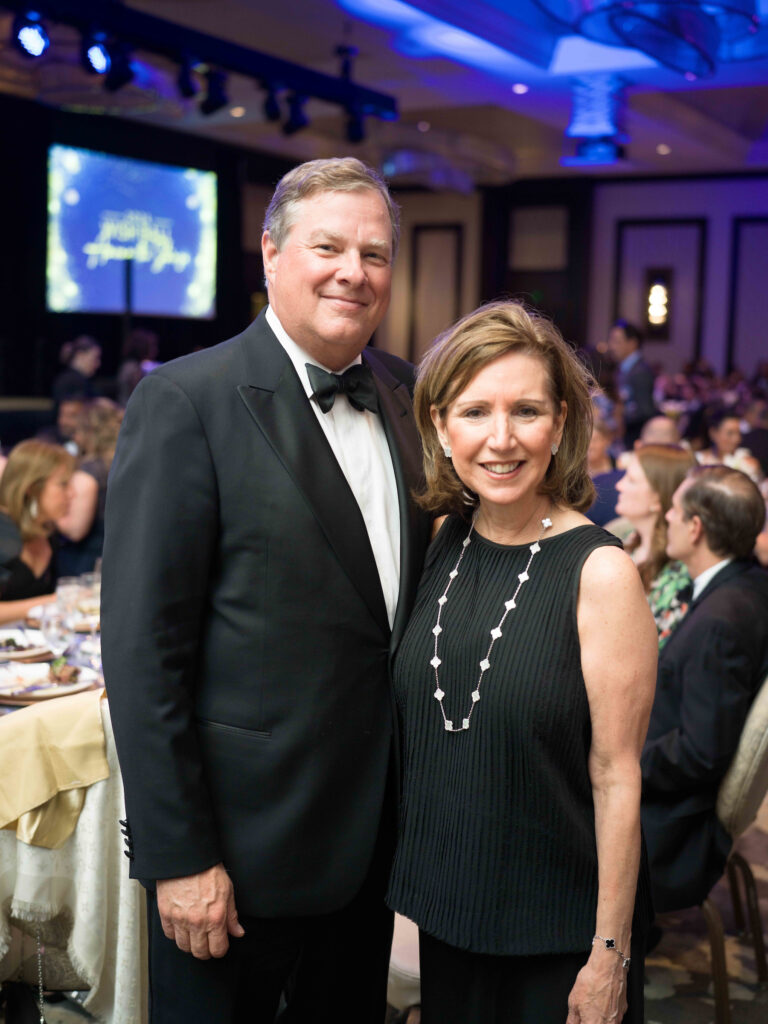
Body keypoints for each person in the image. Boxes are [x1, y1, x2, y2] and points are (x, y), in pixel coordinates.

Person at [101, 157, 431, 1024]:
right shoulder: (186, 400)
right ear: (271, 254)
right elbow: (142, 656)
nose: (353, 272)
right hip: (236, 857)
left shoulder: (407, 395)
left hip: (373, 841)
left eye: (375, 253)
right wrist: (179, 857)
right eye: (328, 246)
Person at [387, 301, 657, 1024]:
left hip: (558, 934)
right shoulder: (445, 538)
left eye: (527, 411)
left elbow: (617, 776)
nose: (500, 439)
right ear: (442, 427)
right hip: (450, 916)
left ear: (561, 423)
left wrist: (609, 954)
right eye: (475, 412)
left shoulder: (601, 572)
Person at [641, 465, 768, 912]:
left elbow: (701, 752)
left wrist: (615, 765)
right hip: (673, 802)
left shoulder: (721, 623)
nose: (667, 519)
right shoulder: (749, 583)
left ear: (695, 528)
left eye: (673, 510)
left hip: (668, 830)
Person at [614, 444, 697, 647]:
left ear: (658, 498)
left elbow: (656, 649)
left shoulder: (678, 575)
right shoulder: (624, 539)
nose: (619, 486)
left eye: (631, 480)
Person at [0, 440, 74, 624]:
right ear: (32, 489)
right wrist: (54, 601)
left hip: (32, 646)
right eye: (63, 484)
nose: (72, 493)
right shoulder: (3, 532)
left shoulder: (48, 532)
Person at [56, 398, 123, 576]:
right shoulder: (126, 463)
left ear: (90, 432)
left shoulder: (89, 472)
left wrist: (43, 510)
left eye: (78, 431)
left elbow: (75, 530)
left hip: (87, 564)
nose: (75, 437)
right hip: (118, 557)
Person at [607, 319, 656, 447]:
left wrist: (620, 416)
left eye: (617, 341)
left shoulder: (640, 372)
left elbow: (646, 411)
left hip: (635, 440)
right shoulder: (624, 369)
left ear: (632, 343)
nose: (611, 346)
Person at [697, 407, 762, 481]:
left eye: (739, 433)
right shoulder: (698, 460)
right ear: (713, 433)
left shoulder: (744, 459)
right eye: (730, 433)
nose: (737, 439)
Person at [52, 335, 101, 407]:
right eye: (95, 358)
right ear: (80, 355)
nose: (98, 364)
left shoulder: (69, 379)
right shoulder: (74, 381)